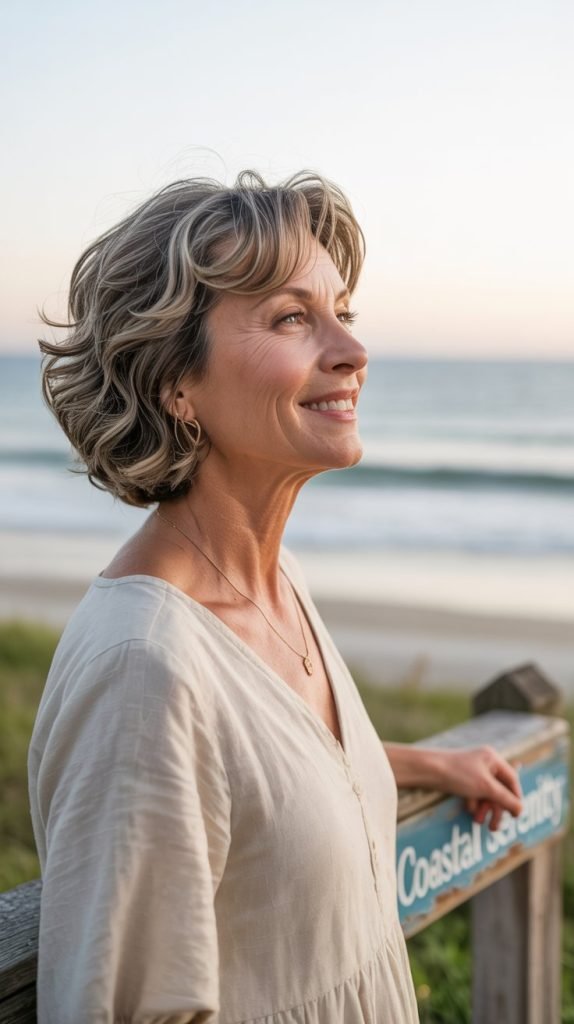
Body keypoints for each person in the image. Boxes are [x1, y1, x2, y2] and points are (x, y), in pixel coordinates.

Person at [28, 169, 523, 1023]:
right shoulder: (141, 675)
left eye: (344, 314)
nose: (352, 351)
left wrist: (411, 763)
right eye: (294, 317)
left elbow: (258, 767)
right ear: (172, 384)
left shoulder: (269, 580)